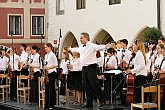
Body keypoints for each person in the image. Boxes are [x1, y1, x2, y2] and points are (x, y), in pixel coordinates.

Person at [68, 32, 112, 108]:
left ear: (86, 38)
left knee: (94, 84)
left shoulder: (92, 46)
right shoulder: (81, 47)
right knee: (86, 86)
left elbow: (100, 47)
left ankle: (103, 101)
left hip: (91, 67)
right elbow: (77, 49)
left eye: (81, 38)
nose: (80, 39)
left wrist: (106, 46)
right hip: (84, 68)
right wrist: (70, 49)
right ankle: (89, 103)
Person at [127, 39, 148, 104]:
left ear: (137, 45)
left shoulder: (139, 54)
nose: (132, 46)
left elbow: (142, 66)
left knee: (138, 96)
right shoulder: (139, 53)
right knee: (138, 95)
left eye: (133, 45)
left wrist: (131, 70)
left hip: (141, 77)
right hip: (139, 76)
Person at [44, 43, 58, 109]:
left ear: (50, 47)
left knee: (51, 89)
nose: (45, 48)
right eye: (45, 47)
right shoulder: (46, 55)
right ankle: (47, 104)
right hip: (47, 73)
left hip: (52, 73)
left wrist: (48, 68)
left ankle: (51, 104)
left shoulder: (52, 55)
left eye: (46, 47)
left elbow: (56, 65)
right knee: (47, 89)